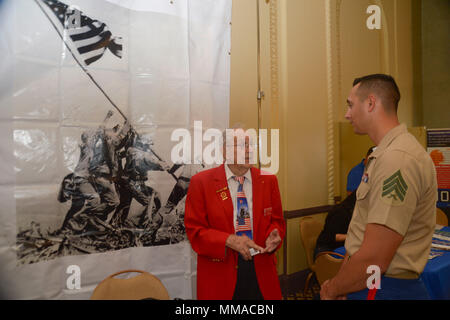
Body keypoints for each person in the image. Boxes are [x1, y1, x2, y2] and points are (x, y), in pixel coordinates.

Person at [320, 74, 437, 300]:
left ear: (371, 103)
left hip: (384, 287)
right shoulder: (385, 155)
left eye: (350, 105)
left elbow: (375, 257)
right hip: (369, 282)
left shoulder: (397, 160)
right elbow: (360, 237)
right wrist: (344, 284)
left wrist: (332, 289)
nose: (347, 114)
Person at [184, 127, 285, 300]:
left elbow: (277, 222)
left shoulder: (268, 180)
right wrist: (230, 240)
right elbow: (195, 231)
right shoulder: (201, 182)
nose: (250, 150)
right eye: (242, 145)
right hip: (220, 274)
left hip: (261, 271)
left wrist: (274, 234)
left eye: (251, 144)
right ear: (225, 151)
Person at [314, 191, 356, 259]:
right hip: (325, 251)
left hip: (338, 248)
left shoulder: (352, 212)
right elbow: (333, 236)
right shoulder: (340, 212)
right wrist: (355, 236)